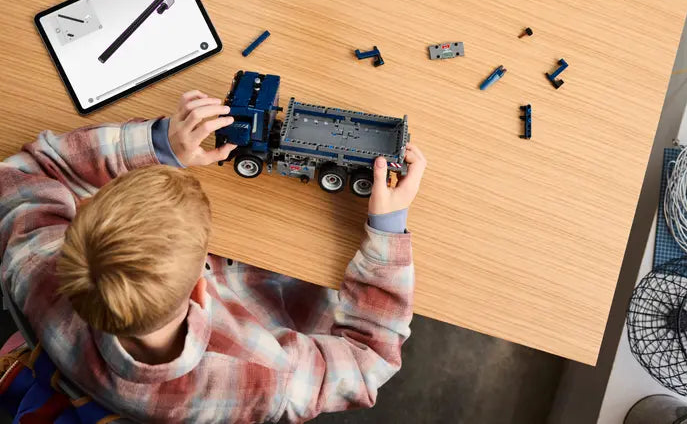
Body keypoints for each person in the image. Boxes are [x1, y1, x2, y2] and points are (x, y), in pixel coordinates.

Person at [0, 90, 426, 423]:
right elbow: (368, 364)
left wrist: (160, 146)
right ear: (201, 289)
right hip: (283, 299)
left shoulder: (39, 267)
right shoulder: (263, 377)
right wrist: (386, 231)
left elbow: (15, 175)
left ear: (74, 244)